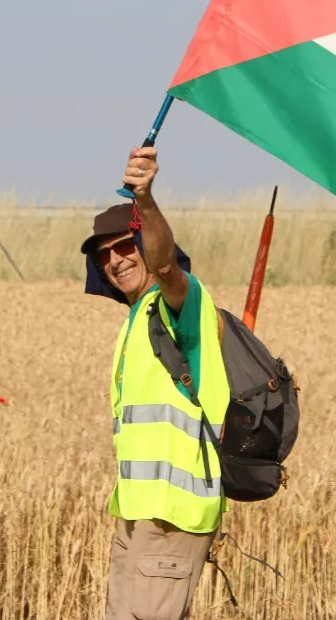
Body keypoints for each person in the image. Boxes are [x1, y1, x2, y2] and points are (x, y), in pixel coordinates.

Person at [85, 146, 229, 620]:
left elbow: (166, 266)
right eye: (105, 256)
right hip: (139, 515)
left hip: (173, 515)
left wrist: (145, 201)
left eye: (125, 246)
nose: (116, 260)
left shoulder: (176, 305)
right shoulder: (134, 319)